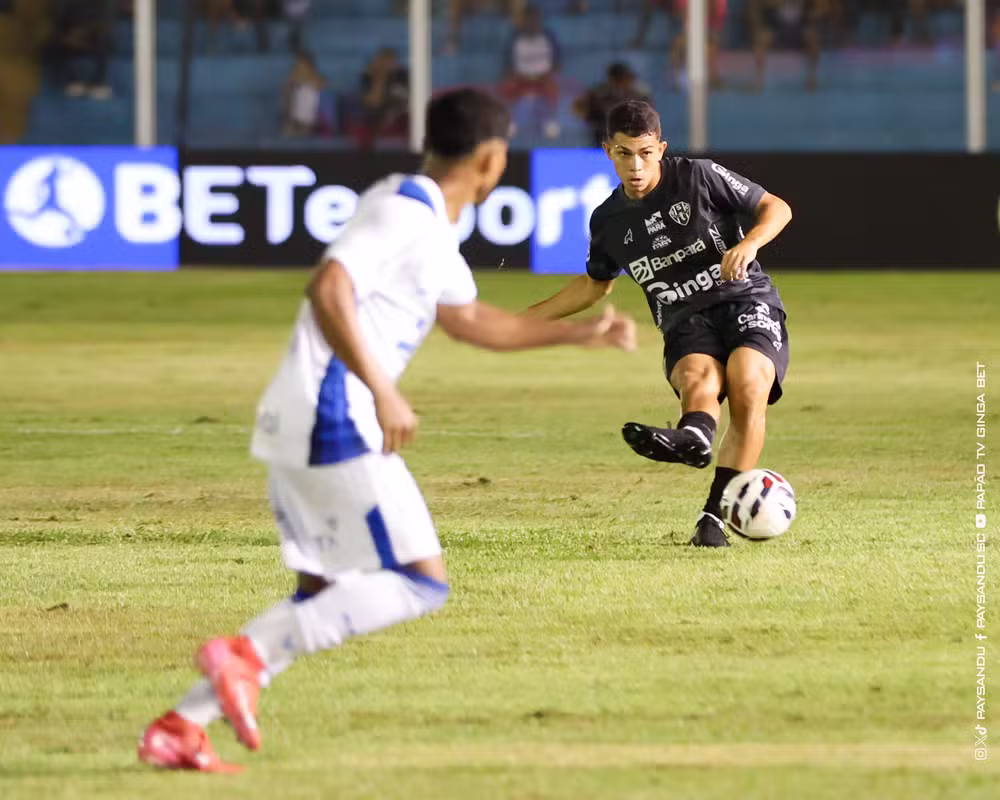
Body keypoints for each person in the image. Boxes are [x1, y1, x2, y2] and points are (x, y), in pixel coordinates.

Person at [136, 88, 637, 772]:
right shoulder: (405, 213)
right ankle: (241, 656)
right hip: (334, 415)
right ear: (490, 160)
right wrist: (383, 389)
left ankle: (180, 727)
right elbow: (329, 286)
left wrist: (581, 336)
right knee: (420, 583)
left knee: (317, 596)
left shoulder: (425, 220)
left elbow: (469, 320)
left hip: (302, 418)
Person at [524, 100, 792, 548]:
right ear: (608, 151)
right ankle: (694, 437)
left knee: (747, 384)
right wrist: (521, 322)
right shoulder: (607, 221)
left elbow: (776, 207)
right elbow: (595, 286)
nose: (635, 165)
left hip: (744, 298)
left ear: (661, 148)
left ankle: (714, 516)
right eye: (625, 153)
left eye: (646, 153)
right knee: (697, 377)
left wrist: (749, 244)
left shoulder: (698, 176)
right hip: (683, 317)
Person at [500, 4, 561, 139]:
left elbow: (557, 61)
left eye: (535, 20)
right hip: (520, 77)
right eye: (529, 20)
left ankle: (549, 121)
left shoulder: (548, 37)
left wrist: (547, 74)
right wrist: (516, 76)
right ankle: (511, 122)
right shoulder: (514, 39)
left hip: (543, 77)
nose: (532, 24)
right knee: (508, 86)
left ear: (539, 21)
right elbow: (507, 63)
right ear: (523, 22)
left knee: (552, 87)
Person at [574, 62, 651, 148]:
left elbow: (648, 118)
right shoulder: (598, 95)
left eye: (626, 79)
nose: (622, 84)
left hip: (633, 140)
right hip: (602, 140)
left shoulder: (638, 95)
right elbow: (580, 111)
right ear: (611, 80)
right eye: (618, 80)